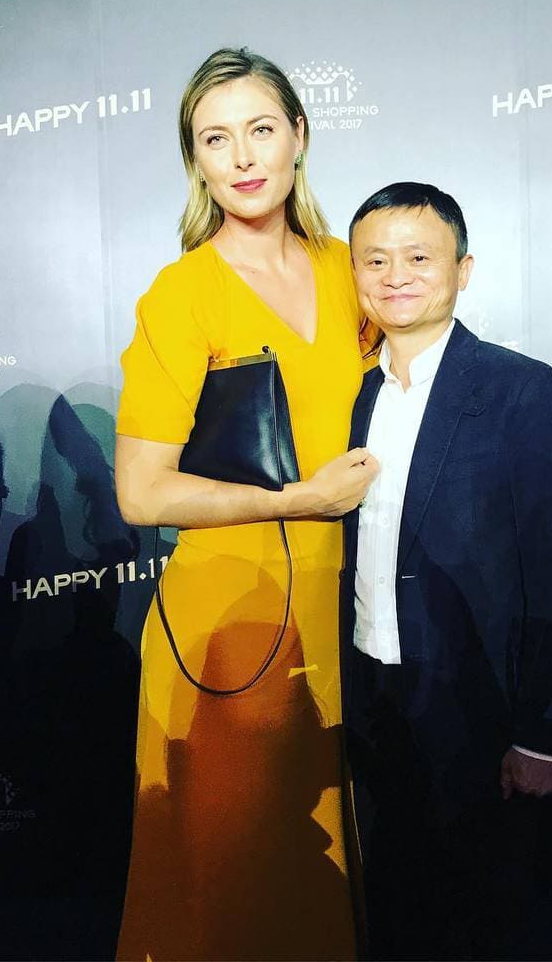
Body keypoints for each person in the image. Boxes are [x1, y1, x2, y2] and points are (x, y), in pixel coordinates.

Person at [114, 47, 378, 962]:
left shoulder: (354, 270)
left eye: (261, 129)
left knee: (331, 879)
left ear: (299, 135)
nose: (243, 157)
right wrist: (304, 498)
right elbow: (142, 491)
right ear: (195, 160)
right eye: (215, 139)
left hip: (357, 618)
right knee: (230, 887)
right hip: (230, 628)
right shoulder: (181, 294)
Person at [340, 182, 552, 960]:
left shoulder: (521, 390)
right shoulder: (355, 396)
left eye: (419, 257)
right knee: (393, 916)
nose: (396, 276)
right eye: (375, 260)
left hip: (479, 710)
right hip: (374, 703)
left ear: (463, 269)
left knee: (483, 922)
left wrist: (543, 733)